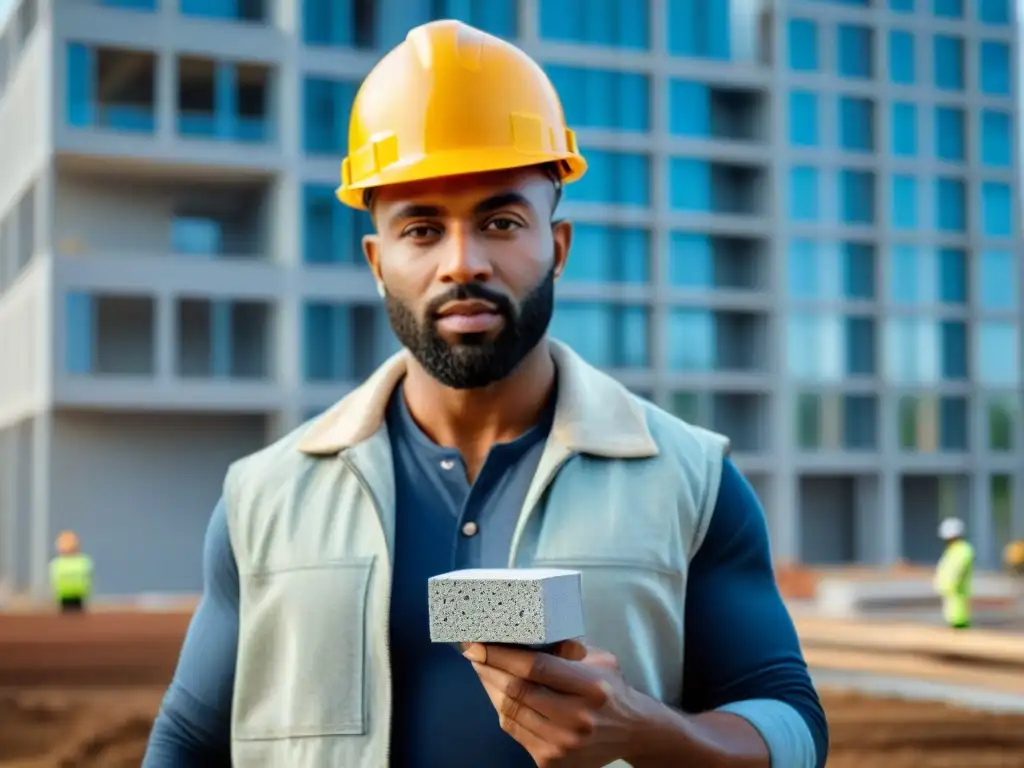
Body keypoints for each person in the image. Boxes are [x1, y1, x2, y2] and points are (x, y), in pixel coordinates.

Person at [144, 19, 827, 768]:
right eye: (421, 229)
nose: (462, 263)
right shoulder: (263, 497)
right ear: (377, 260)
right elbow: (187, 743)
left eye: (501, 221)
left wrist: (645, 729)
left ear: (556, 246)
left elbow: (794, 730)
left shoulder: (690, 479)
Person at [933, 517, 974, 629]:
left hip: (957, 594)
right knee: (953, 617)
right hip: (951, 594)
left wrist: (951, 583)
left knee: (958, 622)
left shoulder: (963, 550)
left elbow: (957, 570)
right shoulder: (953, 550)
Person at [49, 530, 93, 614]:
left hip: (71, 598)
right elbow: (88, 582)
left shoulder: (56, 564)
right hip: (73, 598)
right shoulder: (84, 562)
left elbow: (54, 583)